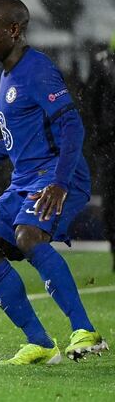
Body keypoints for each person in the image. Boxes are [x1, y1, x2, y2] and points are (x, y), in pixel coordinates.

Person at [0, 0, 109, 364]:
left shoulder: (38, 70)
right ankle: (39, 342)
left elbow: (72, 128)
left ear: (14, 30)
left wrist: (61, 183)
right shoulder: (8, 74)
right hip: (25, 178)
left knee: (28, 235)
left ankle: (85, 330)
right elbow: (17, 138)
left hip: (55, 174)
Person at [86, 35, 115, 270]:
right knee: (110, 201)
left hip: (106, 143)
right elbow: (91, 103)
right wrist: (100, 136)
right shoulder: (103, 63)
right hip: (109, 145)